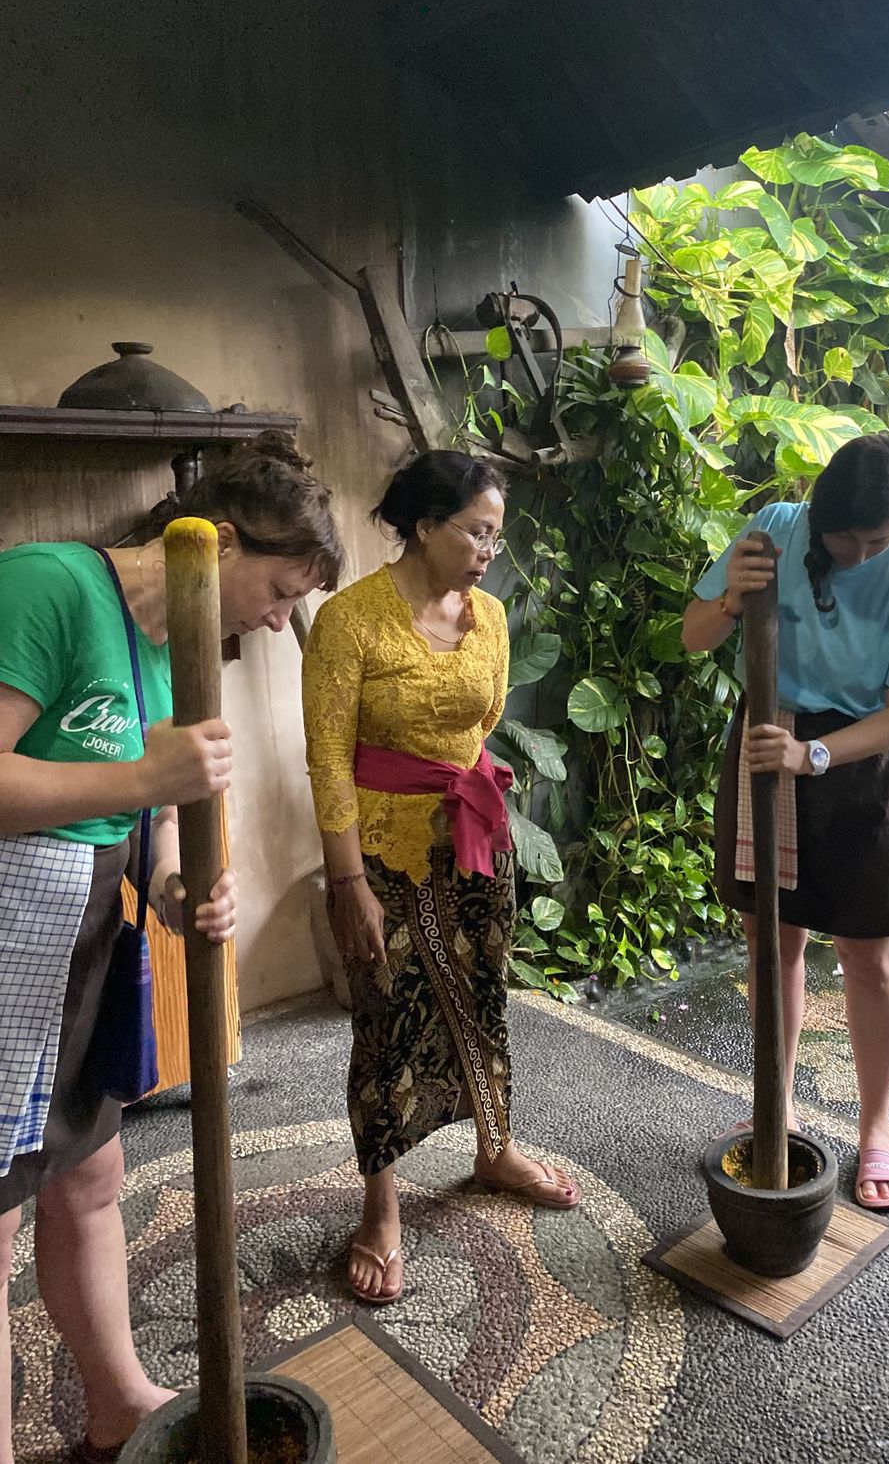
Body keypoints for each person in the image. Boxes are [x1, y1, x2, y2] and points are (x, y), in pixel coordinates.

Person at [0, 433, 343, 1464]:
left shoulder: (164, 647)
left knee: (88, 1176)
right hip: (9, 939)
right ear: (218, 542)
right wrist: (150, 782)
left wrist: (176, 882)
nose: (277, 621)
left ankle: (116, 1403)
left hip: (80, 946)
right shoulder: (48, 585)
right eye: (279, 593)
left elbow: (145, 819)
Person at [302, 449, 580, 1309]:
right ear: (424, 526)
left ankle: (493, 1149)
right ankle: (380, 1205)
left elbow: (484, 721)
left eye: (497, 535)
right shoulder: (349, 621)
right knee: (387, 1019)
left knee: (483, 995)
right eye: (476, 533)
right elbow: (328, 761)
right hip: (382, 856)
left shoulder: (488, 616)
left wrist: (465, 796)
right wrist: (346, 884)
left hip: (473, 840)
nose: (490, 551)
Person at [682, 433, 889, 1210]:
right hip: (771, 737)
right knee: (773, 940)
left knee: (869, 955)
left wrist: (815, 756)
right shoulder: (774, 529)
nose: (861, 554)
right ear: (819, 514)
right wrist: (730, 599)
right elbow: (693, 635)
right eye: (846, 539)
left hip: (867, 758)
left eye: (879, 539)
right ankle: (777, 1104)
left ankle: (876, 1127)